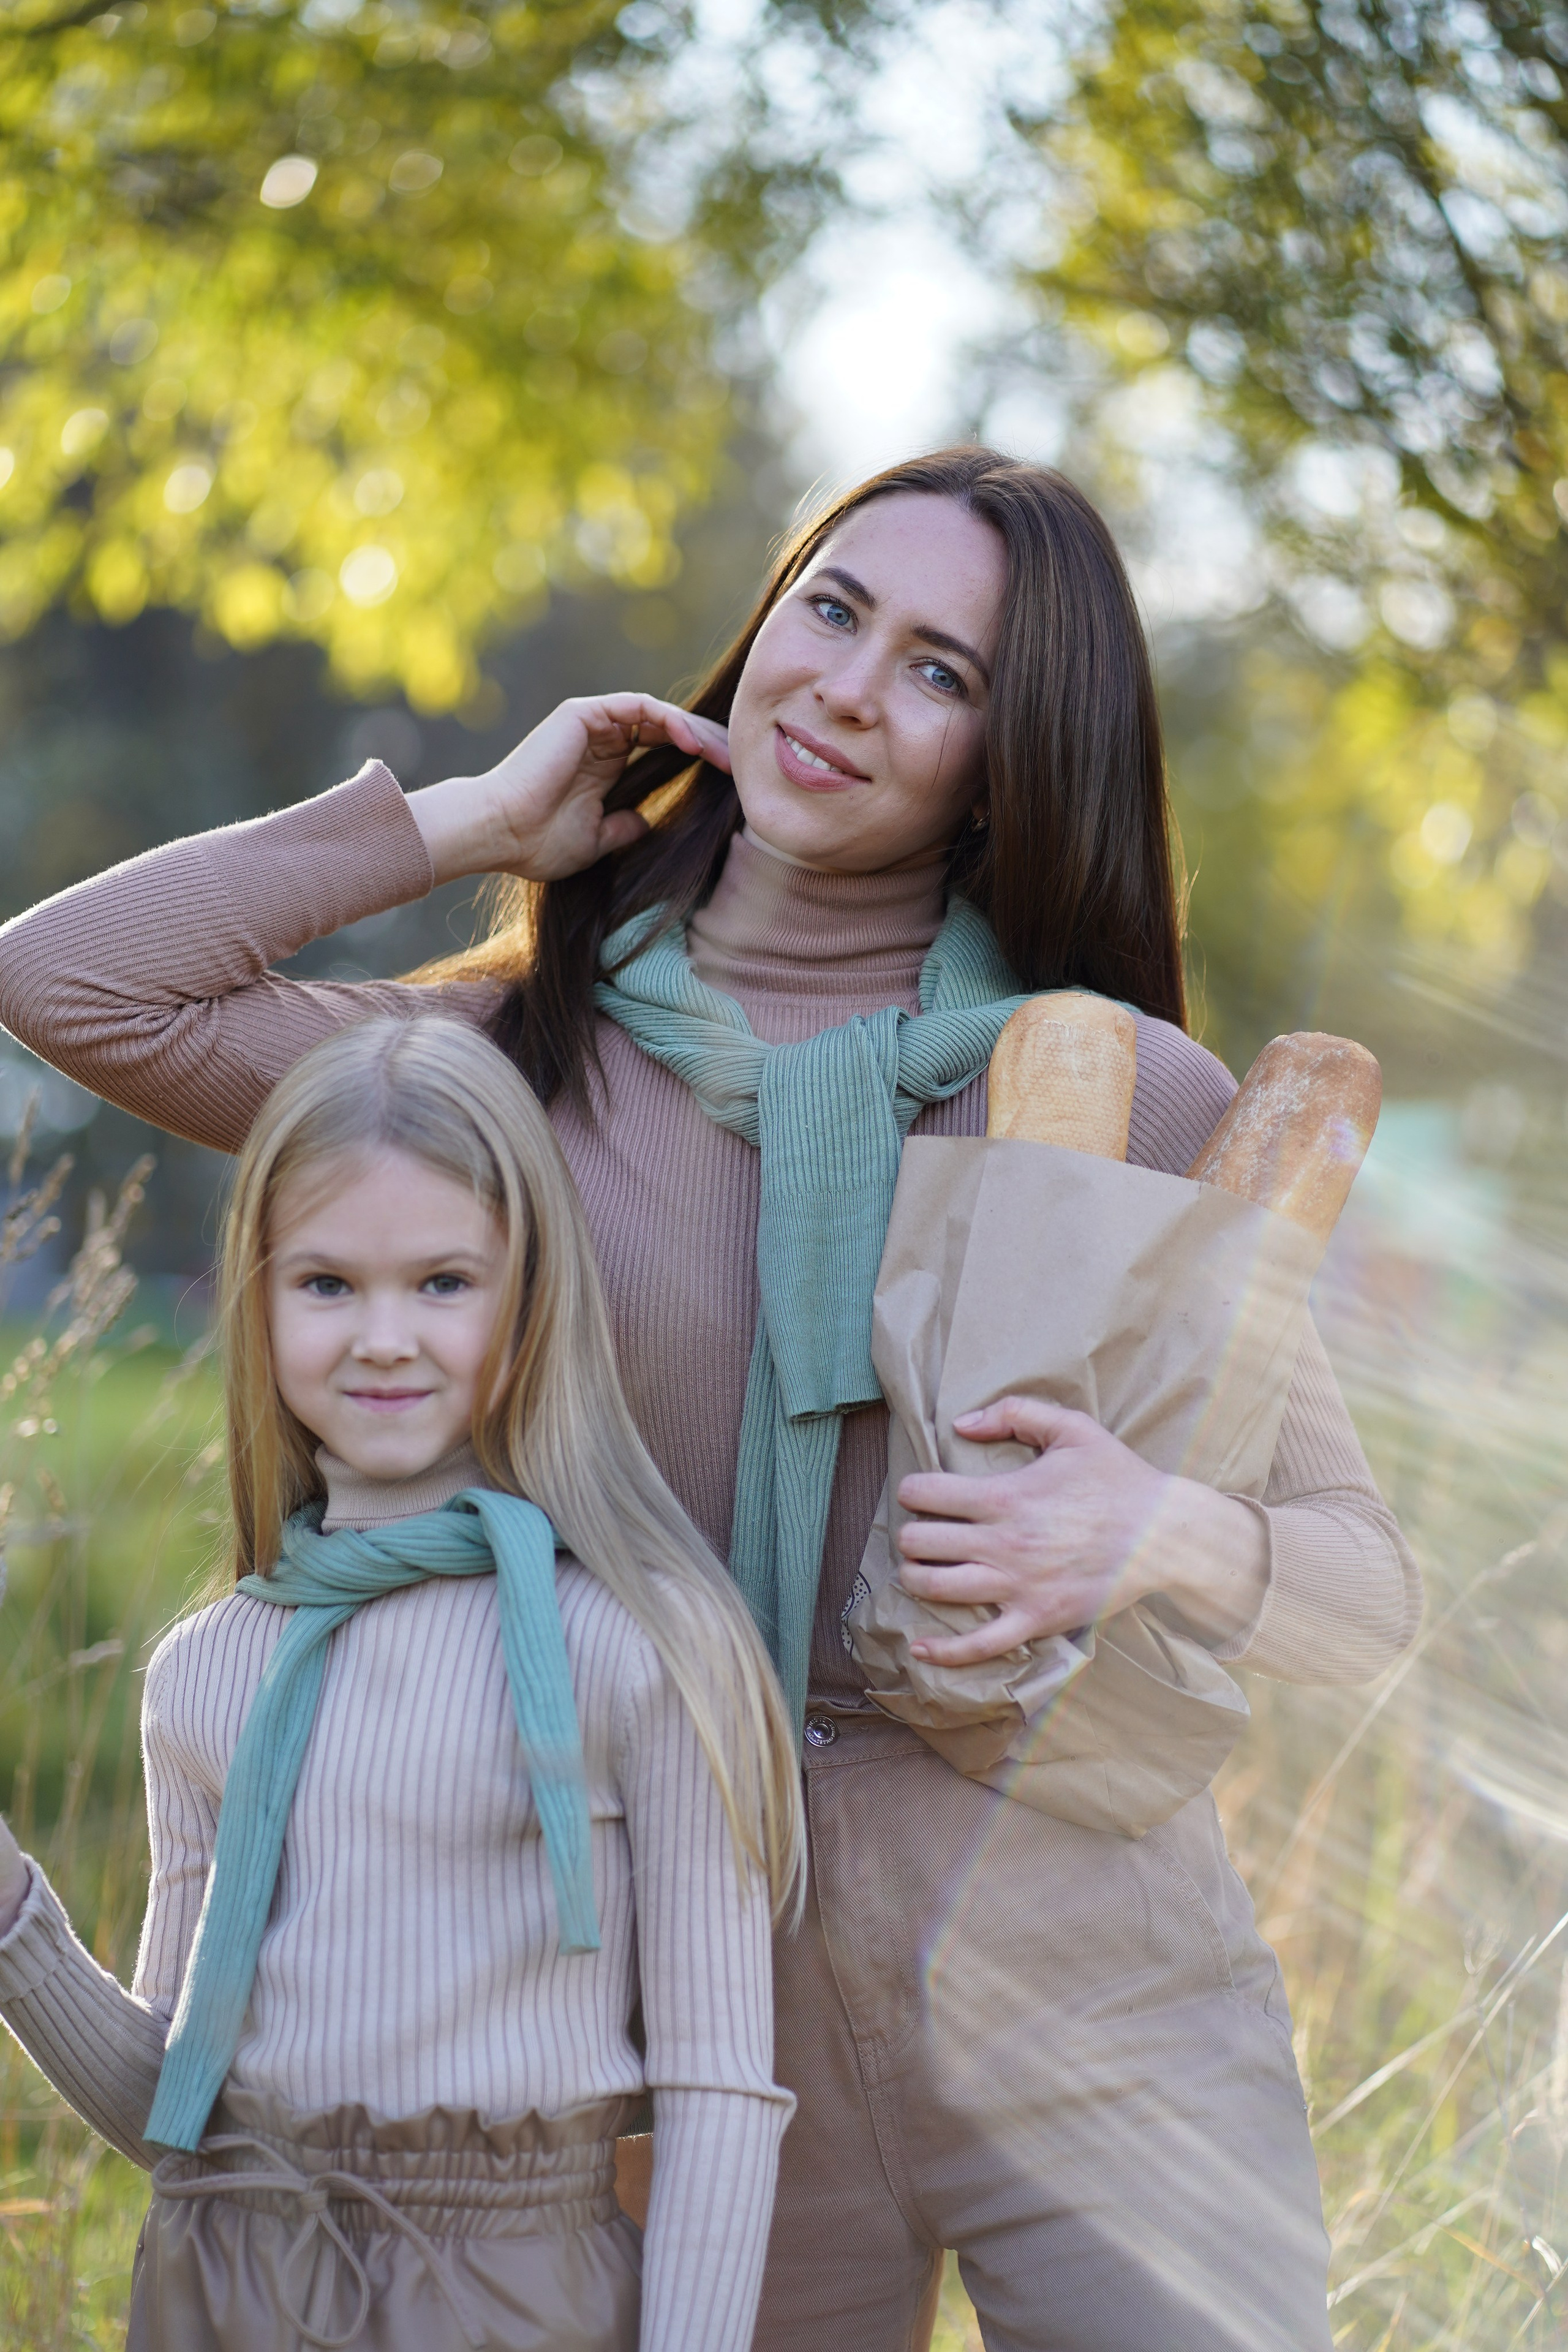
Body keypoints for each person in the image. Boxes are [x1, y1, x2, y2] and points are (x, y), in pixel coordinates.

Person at [0, 447, 1422, 2350]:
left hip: (1101, 1984)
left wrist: (1146, 1528)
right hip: (698, 2010)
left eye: (941, 671)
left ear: (1013, 759)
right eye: (831, 612)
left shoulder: (1120, 1091)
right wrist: (466, 822)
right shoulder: (503, 1075)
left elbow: (1364, 1585)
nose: (844, 684)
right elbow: (73, 983)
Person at [0, 1016, 802, 2352]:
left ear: (530, 1294)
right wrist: (20, 1927)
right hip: (225, 2285)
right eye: (326, 1285)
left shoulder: (637, 1642)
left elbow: (721, 2088)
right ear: (256, 1298)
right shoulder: (205, 1670)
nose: (383, 1338)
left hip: (509, 2294)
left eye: (442, 1283)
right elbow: (170, 2111)